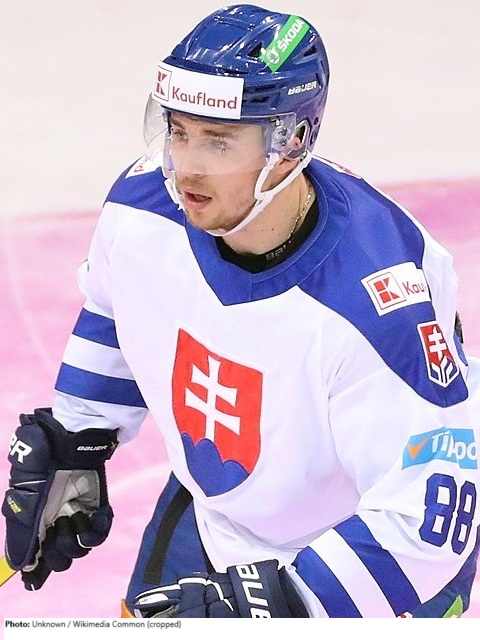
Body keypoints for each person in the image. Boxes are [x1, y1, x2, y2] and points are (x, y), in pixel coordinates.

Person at [2, 4, 479, 618]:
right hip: (217, 517)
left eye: (219, 141)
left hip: (366, 571)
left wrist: (283, 604)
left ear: (292, 142)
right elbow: (116, 306)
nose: (187, 166)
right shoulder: (143, 208)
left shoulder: (379, 303)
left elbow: (431, 520)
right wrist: (78, 437)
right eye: (179, 131)